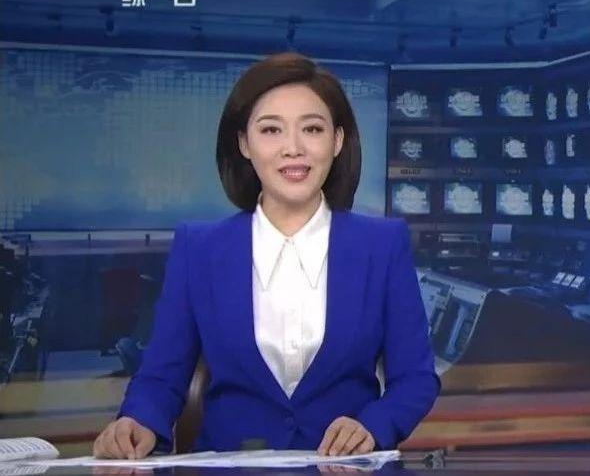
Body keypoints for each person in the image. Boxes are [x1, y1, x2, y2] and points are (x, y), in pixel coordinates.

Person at [93, 53, 439, 458]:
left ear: (337, 140)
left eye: (312, 129)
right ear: (244, 143)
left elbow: (415, 378)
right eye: (271, 129)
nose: (293, 148)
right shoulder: (199, 248)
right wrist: (137, 422)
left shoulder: (382, 245)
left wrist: (372, 426)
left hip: (343, 467)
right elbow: (160, 377)